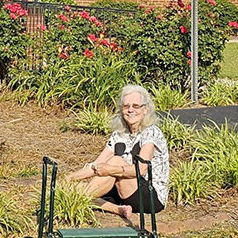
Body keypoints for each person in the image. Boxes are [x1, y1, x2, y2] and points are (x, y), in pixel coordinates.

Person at [68, 84, 169, 219]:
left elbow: (142, 169)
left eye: (136, 106)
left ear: (145, 109)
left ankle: (73, 199)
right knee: (75, 185)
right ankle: (118, 209)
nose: (130, 110)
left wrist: (109, 169)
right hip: (123, 190)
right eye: (126, 106)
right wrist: (68, 178)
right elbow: (97, 165)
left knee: (115, 161)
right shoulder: (118, 135)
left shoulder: (151, 132)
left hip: (150, 195)